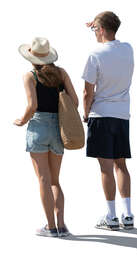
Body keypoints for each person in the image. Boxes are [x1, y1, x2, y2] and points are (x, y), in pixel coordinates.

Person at [14, 37, 79, 237]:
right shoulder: (62, 73)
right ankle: (61, 226)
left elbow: (32, 106)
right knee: (55, 181)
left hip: (39, 128)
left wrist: (21, 121)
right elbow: (75, 102)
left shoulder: (30, 76)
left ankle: (50, 227)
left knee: (43, 179)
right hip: (59, 129)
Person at [82, 11, 134, 230]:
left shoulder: (95, 54)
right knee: (121, 165)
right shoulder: (128, 49)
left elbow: (87, 92)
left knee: (106, 168)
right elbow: (108, 31)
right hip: (122, 114)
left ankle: (111, 216)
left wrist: (85, 114)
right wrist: (98, 22)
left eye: (95, 29)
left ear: (101, 29)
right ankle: (128, 214)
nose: (93, 32)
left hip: (101, 115)